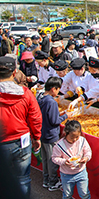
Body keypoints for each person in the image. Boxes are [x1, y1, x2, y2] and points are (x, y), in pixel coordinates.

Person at [0, 56, 42, 197]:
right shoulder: (26, 93)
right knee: (23, 178)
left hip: (3, 142)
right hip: (22, 140)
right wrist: (37, 137)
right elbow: (35, 118)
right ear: (14, 72)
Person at [37, 77, 72, 191]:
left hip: (42, 133)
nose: (58, 92)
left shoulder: (40, 97)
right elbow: (54, 121)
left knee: (46, 158)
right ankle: (53, 182)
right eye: (58, 89)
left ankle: (46, 180)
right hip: (51, 134)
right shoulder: (51, 102)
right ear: (53, 89)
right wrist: (66, 116)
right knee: (53, 159)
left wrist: (59, 113)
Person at [52, 120, 92, 199]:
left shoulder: (82, 140)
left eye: (77, 137)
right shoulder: (59, 145)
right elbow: (54, 158)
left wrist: (86, 158)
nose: (74, 140)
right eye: (72, 137)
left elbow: (88, 151)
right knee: (67, 195)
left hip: (81, 172)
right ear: (66, 133)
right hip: (66, 174)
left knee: (84, 194)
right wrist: (63, 161)